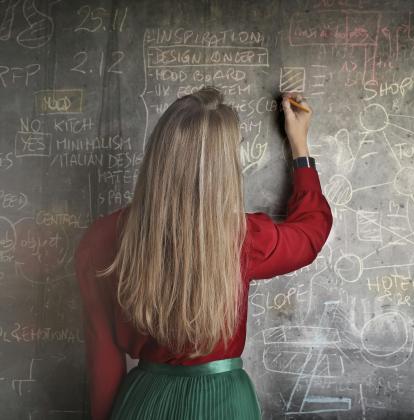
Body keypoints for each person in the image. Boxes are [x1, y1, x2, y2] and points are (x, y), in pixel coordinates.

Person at [74, 87, 333, 419]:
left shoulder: (101, 239)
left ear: (159, 153)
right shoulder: (244, 237)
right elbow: (311, 232)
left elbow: (103, 361)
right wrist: (300, 147)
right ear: (225, 166)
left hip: (143, 403)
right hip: (223, 403)